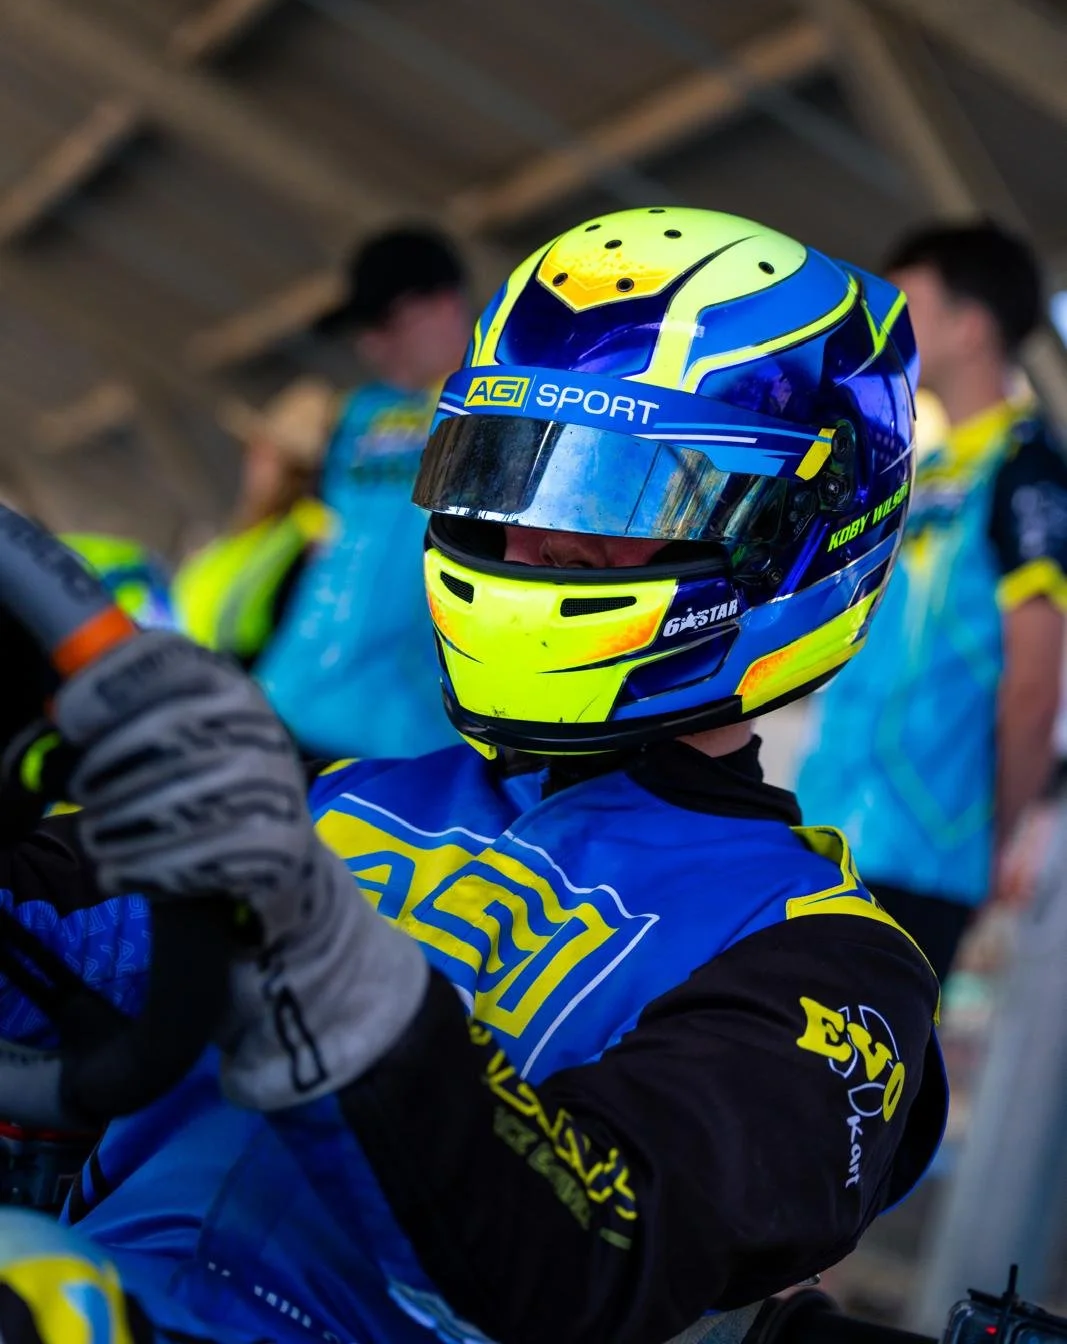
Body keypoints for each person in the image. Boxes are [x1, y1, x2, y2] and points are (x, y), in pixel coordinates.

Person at [0, 207, 946, 1344]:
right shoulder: (338, 798)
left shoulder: (825, 960)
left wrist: (327, 961)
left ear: (794, 535)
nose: (533, 541)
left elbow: (594, 1251)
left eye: (618, 499)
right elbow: (48, 933)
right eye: (508, 473)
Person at [798, 220, 1067, 982]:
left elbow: (1034, 685)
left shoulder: (1029, 470)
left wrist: (991, 841)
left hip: (924, 856)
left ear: (970, 327)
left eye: (907, 306)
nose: (887, 330)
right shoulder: (917, 470)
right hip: (822, 829)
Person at [255, 227, 472, 760]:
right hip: (283, 701)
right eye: (363, 329)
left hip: (409, 738)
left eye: (385, 323)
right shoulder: (354, 412)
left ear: (444, 304)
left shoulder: (511, 403)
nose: (370, 345)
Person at [173, 377, 337, 667]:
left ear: (297, 469)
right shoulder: (254, 534)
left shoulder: (315, 532)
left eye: (266, 454)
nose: (252, 462)